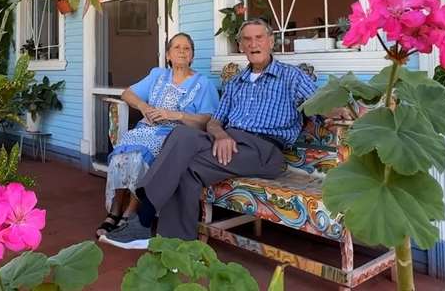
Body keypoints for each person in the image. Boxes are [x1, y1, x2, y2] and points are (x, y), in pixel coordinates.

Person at [102, 18, 317, 249]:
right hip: (230, 140)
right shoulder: (236, 82)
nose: (253, 44)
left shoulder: (291, 76)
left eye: (259, 38)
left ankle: (143, 220)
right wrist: (221, 135)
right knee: (182, 138)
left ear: (271, 42)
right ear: (241, 46)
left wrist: (339, 108)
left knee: (182, 164)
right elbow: (214, 121)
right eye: (247, 39)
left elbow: (321, 103)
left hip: (264, 149)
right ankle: (175, 246)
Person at [94, 33, 219, 237]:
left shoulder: (203, 83)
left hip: (174, 136)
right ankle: (115, 210)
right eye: (177, 48)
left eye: (187, 48)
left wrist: (175, 115)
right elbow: (127, 94)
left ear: (192, 56)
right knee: (121, 153)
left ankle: (130, 213)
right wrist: (144, 107)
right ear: (168, 55)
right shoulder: (157, 75)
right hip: (146, 128)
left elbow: (208, 119)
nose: (182, 52)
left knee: (141, 157)